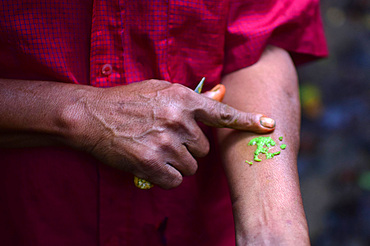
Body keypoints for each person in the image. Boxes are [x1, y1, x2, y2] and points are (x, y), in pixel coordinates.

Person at [0, 0, 328, 245]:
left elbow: (255, 39)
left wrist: (271, 225)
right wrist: (79, 113)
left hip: (196, 220)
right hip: (31, 215)